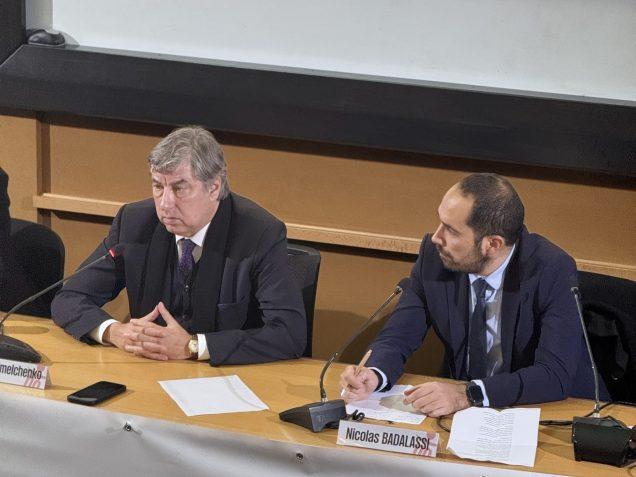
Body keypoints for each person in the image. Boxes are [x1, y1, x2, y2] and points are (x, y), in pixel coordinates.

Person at [340, 173, 607, 416]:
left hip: (548, 411)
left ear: (492, 244)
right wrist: (374, 374)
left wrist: (468, 394)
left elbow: (553, 375)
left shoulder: (551, 269)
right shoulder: (435, 257)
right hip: (465, 418)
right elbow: (399, 334)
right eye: (440, 222)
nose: (436, 237)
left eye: (451, 230)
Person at [51, 126, 306, 364]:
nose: (165, 204)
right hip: (148, 372)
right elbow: (70, 297)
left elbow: (289, 333)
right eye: (158, 186)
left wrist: (193, 346)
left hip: (225, 379)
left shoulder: (259, 233)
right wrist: (114, 332)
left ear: (214, 188)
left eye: (179, 189)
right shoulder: (134, 224)